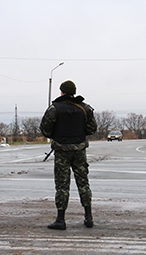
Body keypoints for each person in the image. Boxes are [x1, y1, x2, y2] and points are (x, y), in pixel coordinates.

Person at [40, 80, 97, 230]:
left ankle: (60, 219)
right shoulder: (85, 108)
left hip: (62, 151)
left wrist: (58, 135)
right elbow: (92, 129)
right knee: (83, 183)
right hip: (79, 150)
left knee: (62, 186)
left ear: (62, 92)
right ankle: (88, 217)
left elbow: (45, 130)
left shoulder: (54, 109)